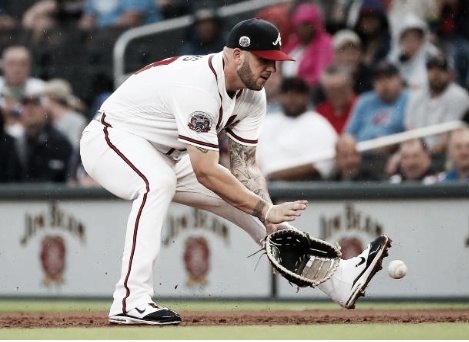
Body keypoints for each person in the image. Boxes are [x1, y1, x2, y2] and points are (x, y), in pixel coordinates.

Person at [80, 18, 391, 325]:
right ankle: (130, 300)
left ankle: (341, 281)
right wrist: (265, 210)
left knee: (256, 214)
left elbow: (245, 167)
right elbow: (205, 171)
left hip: (168, 154)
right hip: (110, 139)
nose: (271, 68)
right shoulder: (197, 84)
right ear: (237, 54)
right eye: (264, 59)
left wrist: (268, 217)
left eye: (276, 61)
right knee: (157, 183)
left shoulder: (254, 95)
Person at [256, 77, 338, 181]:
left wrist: (273, 176)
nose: (292, 98)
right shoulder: (267, 121)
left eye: (297, 94)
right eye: (287, 94)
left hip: (300, 188)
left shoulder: (318, 123)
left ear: (306, 96)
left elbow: (319, 168)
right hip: (261, 184)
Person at [344, 60, 409, 178]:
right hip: (360, 158)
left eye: (389, 77)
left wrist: (398, 150)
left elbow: (413, 134)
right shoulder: (365, 100)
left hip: (391, 158)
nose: (384, 83)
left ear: (399, 79)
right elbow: (348, 135)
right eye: (379, 79)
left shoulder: (409, 99)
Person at [404, 55, 469, 155]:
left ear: (450, 74)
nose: (435, 74)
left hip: (445, 154)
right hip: (417, 153)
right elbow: (409, 129)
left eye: (441, 70)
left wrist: (425, 155)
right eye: (431, 69)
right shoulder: (417, 95)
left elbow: (447, 138)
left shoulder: (459, 96)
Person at [17, 94, 73, 182]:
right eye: (25, 105)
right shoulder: (14, 143)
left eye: (35, 105)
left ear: (46, 111)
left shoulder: (60, 143)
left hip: (52, 195)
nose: (30, 110)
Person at [282, 3, 334, 88]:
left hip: (307, 93)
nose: (303, 28)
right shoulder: (294, 43)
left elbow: (321, 75)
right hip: (286, 90)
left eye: (307, 24)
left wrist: (298, 82)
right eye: (300, 24)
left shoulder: (325, 43)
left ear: (315, 23)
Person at [0, 45, 45, 139]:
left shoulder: (40, 88)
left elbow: (75, 104)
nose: (17, 70)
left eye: (23, 64)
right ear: (3, 66)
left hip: (32, 139)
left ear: (29, 67)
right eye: (12, 64)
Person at [387, 13, 439, 90]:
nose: (411, 43)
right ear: (400, 40)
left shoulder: (433, 56)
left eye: (415, 38)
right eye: (407, 39)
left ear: (422, 40)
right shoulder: (393, 60)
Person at [41, 78, 88, 151]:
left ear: (50, 99)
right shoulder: (47, 121)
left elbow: (74, 150)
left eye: (44, 97)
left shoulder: (77, 120)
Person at [315, 65, 358, 135]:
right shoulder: (321, 111)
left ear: (350, 85)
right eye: (330, 90)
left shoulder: (360, 106)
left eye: (339, 89)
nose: (335, 94)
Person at [332, 29, 373, 96]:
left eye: (353, 52)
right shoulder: (327, 81)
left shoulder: (373, 77)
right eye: (344, 52)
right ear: (335, 55)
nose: (349, 58)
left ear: (361, 54)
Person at [352, 0, 392, 67]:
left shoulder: (389, 45)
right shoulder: (352, 42)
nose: (369, 23)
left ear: (381, 21)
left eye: (373, 19)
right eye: (366, 19)